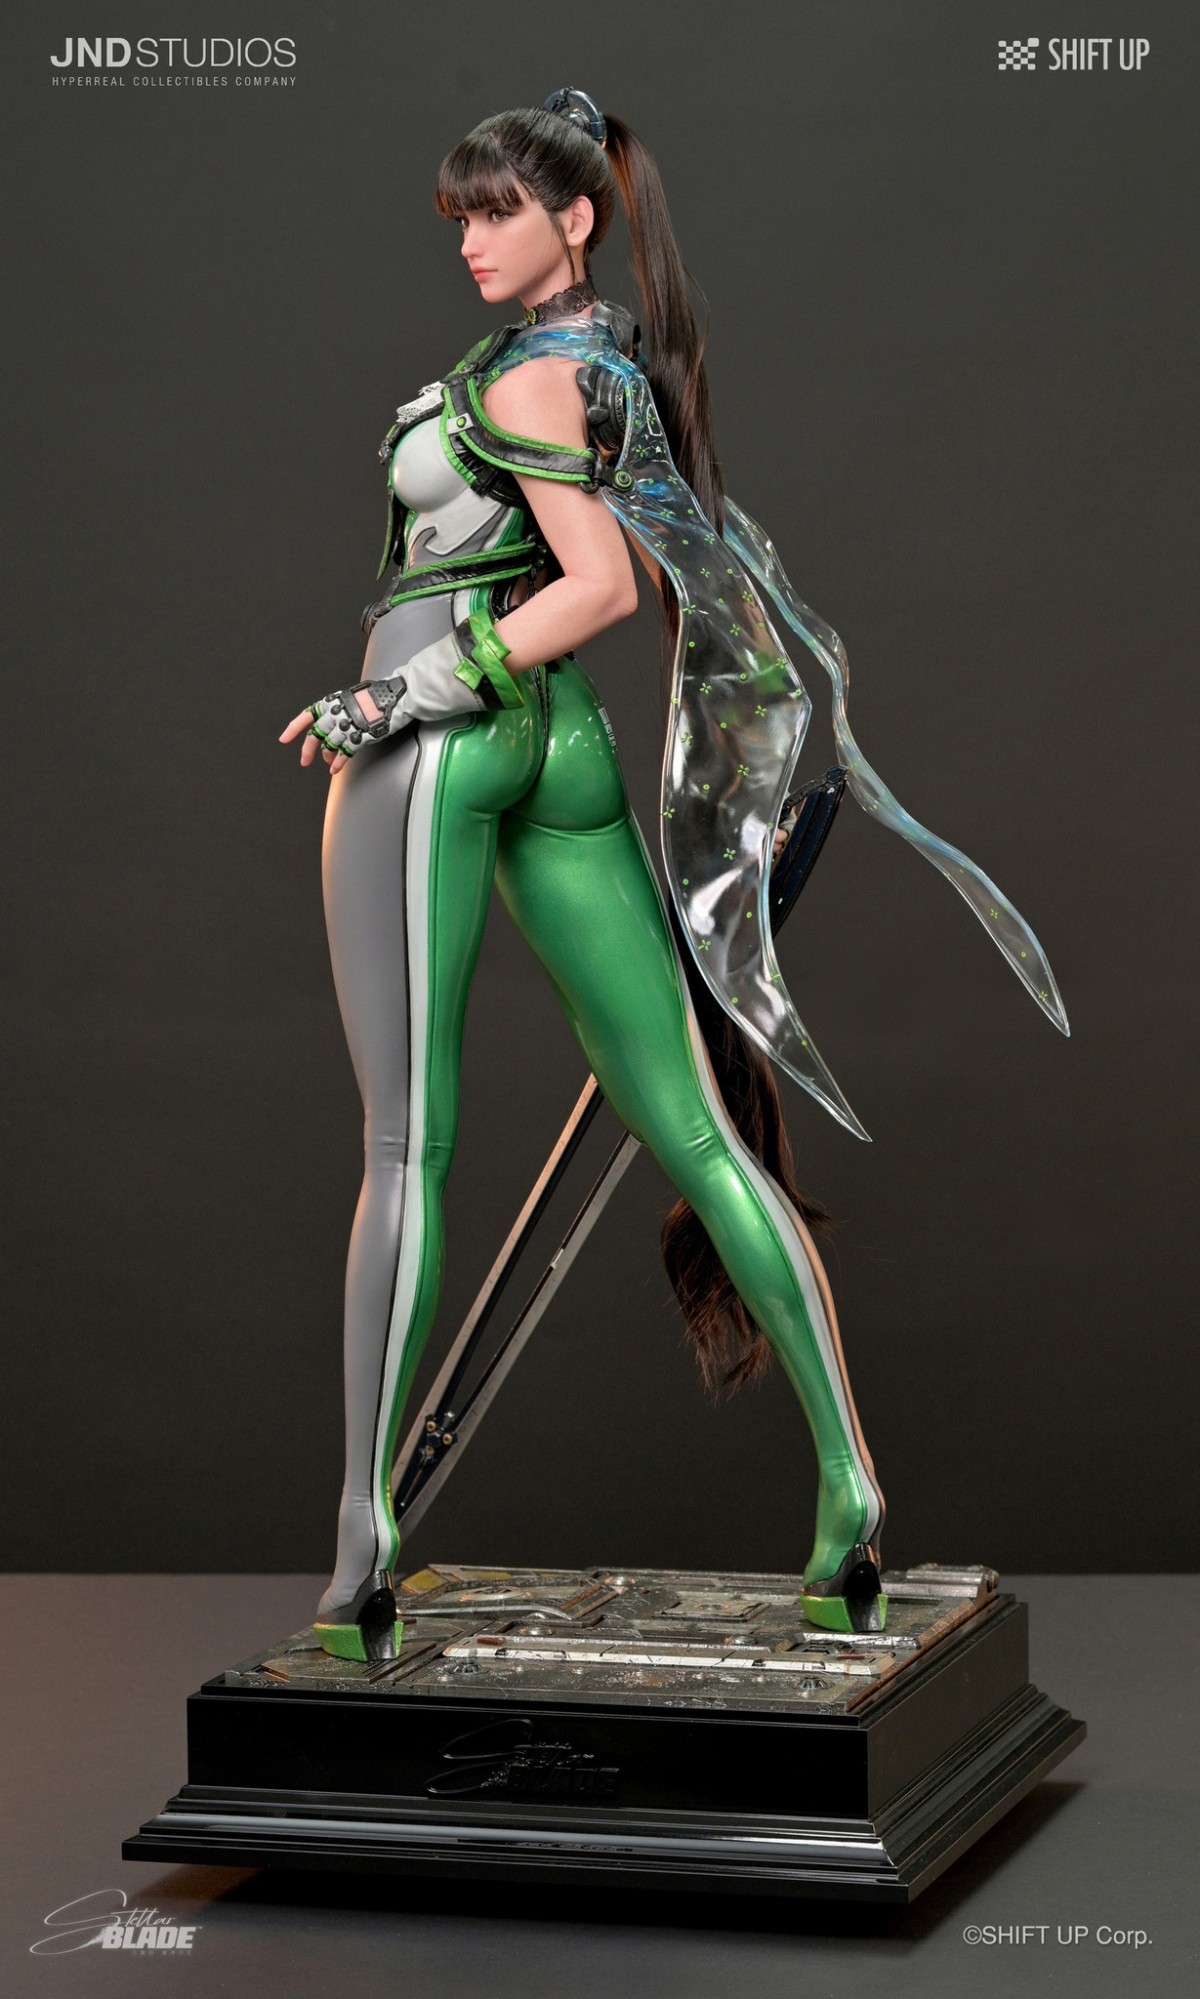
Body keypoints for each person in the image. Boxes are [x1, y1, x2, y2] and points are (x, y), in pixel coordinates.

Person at [281, 91, 1065, 1664]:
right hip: (562, 751)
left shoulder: (540, 376)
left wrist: (398, 696)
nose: (472, 239)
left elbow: (601, 586)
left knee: (406, 1147)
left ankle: (362, 1547)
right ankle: (850, 1484)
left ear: (577, 217)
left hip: (452, 732)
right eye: (461, 215)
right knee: (698, 1128)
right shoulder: (605, 367)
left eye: (500, 210)